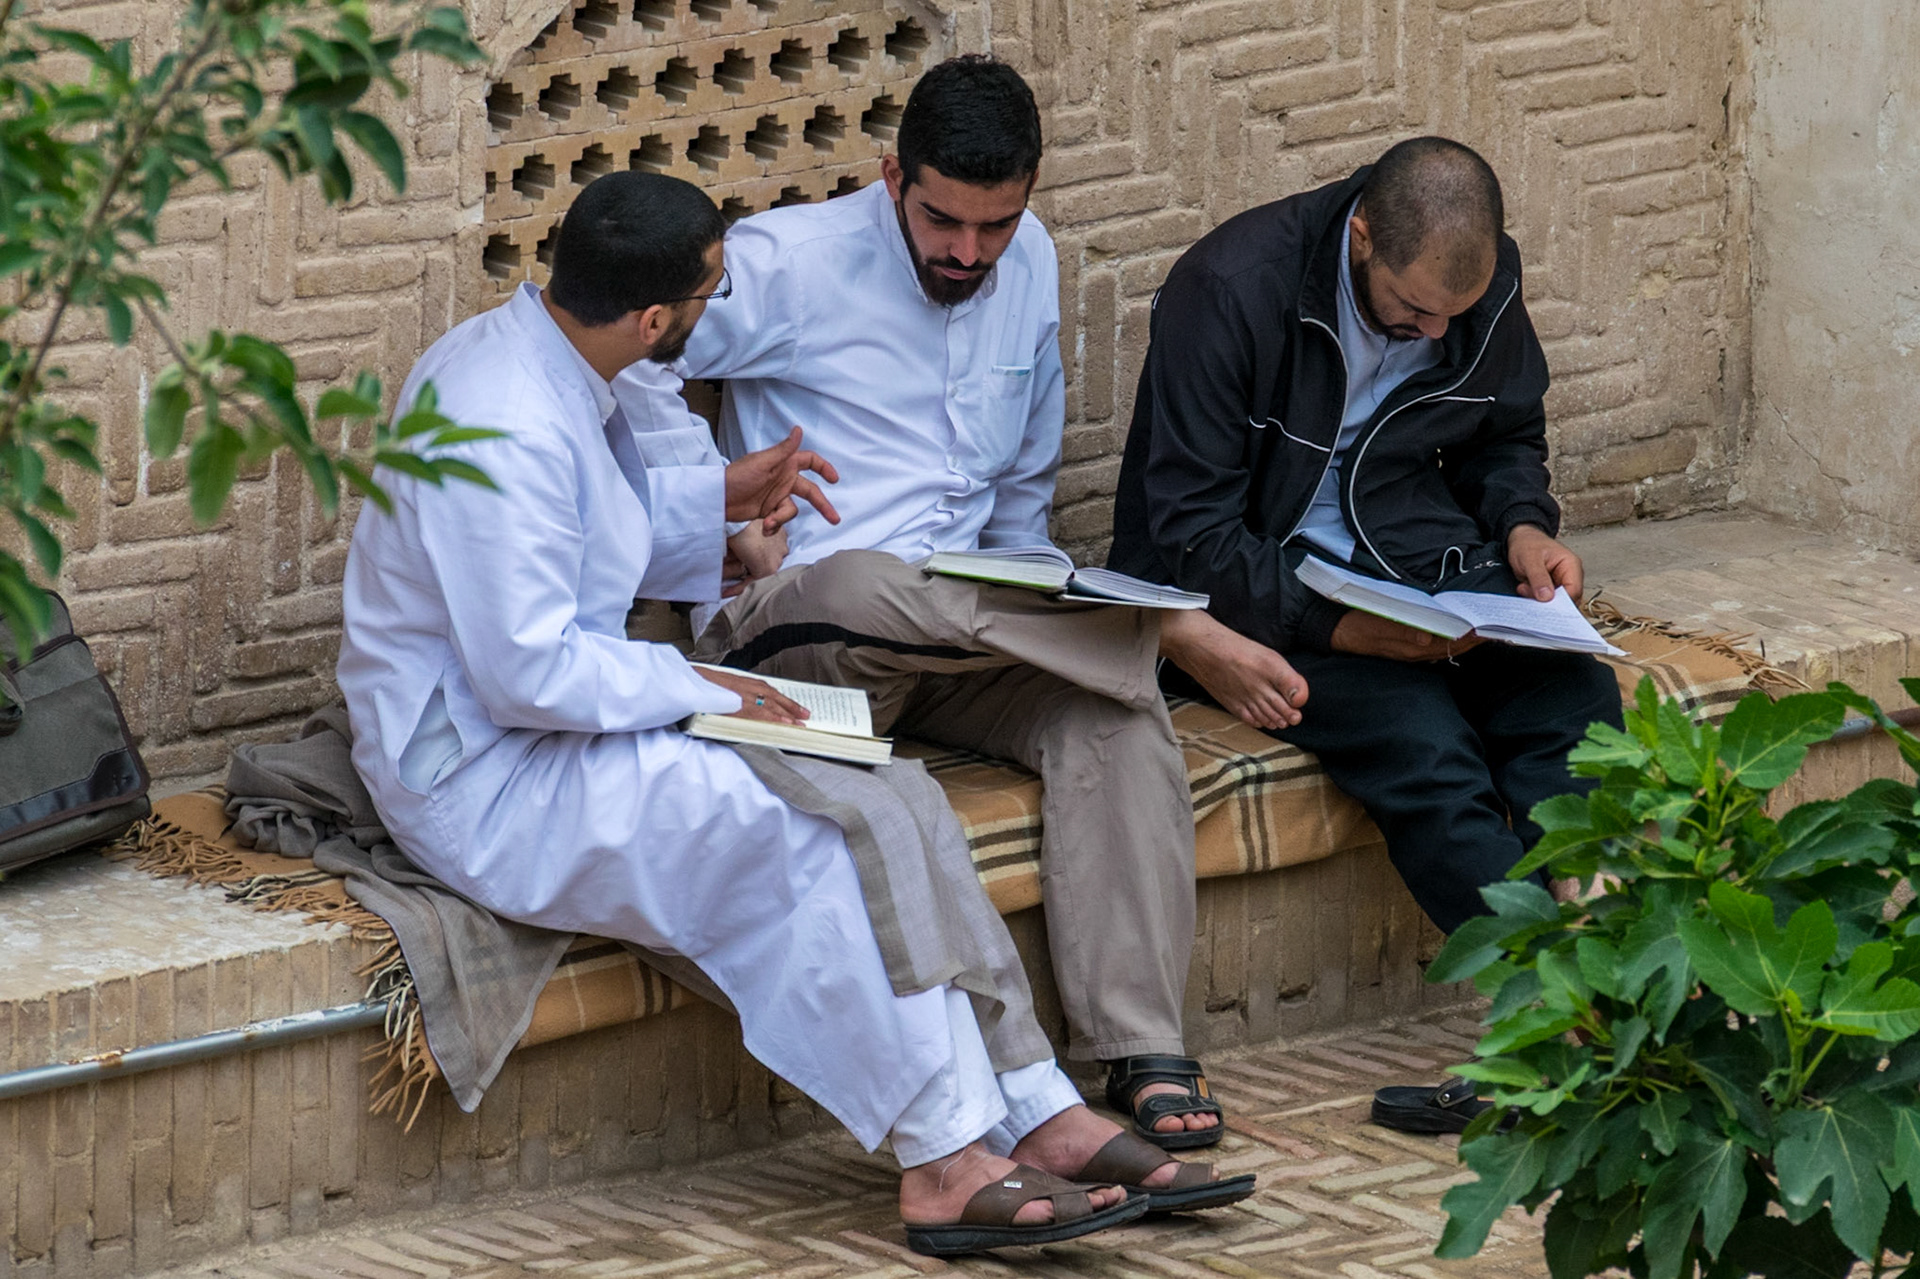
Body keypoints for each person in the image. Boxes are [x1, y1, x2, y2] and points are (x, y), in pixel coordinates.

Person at [335, 171, 1254, 1254]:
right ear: (652, 316)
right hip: (485, 771)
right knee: (803, 835)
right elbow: (526, 673)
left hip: (578, 717)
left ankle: (1031, 1101)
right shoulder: (498, 418)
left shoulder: (573, 358)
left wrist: (718, 512)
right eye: (708, 298)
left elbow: (596, 518)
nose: (716, 315)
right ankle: (945, 1154)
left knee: (887, 791)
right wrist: (713, 686)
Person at [616, 55, 1300, 1158]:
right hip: (805, 631)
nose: (966, 252)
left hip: (966, 627)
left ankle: (1141, 1044)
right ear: (894, 175)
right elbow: (628, 351)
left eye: (995, 224)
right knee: (873, 581)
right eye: (942, 222)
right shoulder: (788, 265)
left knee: (1110, 713)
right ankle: (1155, 624)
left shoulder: (1028, 267)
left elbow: (1021, 501)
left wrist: (1032, 589)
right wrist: (707, 502)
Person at [1108, 136, 1624, 1133]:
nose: (1435, 333)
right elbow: (1185, 535)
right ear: (1362, 238)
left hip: (1425, 569)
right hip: (1266, 592)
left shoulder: (1476, 283)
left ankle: (1606, 961)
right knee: (1424, 747)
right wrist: (1338, 627)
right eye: (1415, 310)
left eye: (1454, 317)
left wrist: (1524, 526)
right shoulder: (1230, 290)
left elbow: (1506, 432)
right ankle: (1571, 1010)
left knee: (1572, 696)